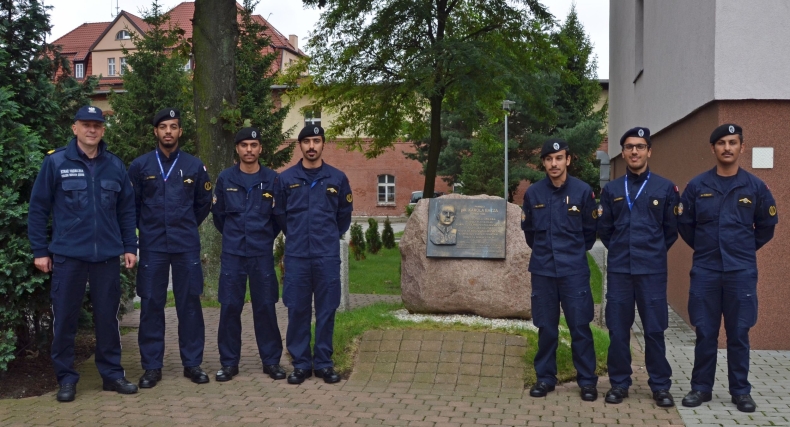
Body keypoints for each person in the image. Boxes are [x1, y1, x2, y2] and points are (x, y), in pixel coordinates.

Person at [28, 105, 139, 402]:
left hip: (106, 256)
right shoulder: (56, 162)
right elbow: (38, 208)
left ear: (103, 130)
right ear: (75, 128)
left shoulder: (115, 165)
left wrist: (130, 246)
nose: (92, 130)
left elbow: (126, 210)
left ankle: (112, 375)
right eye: (86, 124)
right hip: (68, 256)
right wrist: (40, 250)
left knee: (107, 319)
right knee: (65, 319)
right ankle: (66, 378)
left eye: (97, 125)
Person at [678, 124, 777, 413]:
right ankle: (701, 388)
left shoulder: (755, 187)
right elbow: (685, 225)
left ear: (741, 147)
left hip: (740, 272)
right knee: (705, 332)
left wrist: (742, 250)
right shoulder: (697, 186)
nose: (727, 148)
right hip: (706, 271)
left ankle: (740, 391)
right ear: (713, 148)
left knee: (739, 333)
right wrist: (707, 248)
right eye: (721, 143)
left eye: (733, 142)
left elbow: (767, 226)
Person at [128, 108, 213, 387]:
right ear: (156, 131)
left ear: (180, 131)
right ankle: (152, 367)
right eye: (163, 126)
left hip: (185, 244)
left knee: (189, 303)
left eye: (173, 126)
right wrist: (147, 227)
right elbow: (132, 205)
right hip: (152, 245)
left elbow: (203, 204)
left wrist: (184, 224)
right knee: (151, 303)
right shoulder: (140, 166)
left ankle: (192, 363)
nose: (168, 131)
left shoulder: (194, 166)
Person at [597, 127, 678, 407]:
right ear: (623, 152)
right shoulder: (612, 190)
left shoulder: (665, 188)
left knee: (654, 329)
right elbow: (605, 230)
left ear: (649, 152)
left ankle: (660, 386)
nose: (634, 151)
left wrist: (652, 252)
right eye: (629, 147)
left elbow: (671, 230)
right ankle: (619, 383)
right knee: (618, 329)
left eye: (640, 146)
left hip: (652, 271)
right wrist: (623, 250)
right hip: (620, 270)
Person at [521, 139, 599, 402]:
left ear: (568, 160)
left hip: (573, 271)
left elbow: (589, 233)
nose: (554, 163)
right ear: (543, 162)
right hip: (543, 270)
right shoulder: (533, 194)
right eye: (549, 159)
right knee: (546, 327)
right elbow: (529, 234)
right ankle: (545, 378)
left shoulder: (583, 191)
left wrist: (571, 255)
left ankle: (587, 381)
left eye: (558, 158)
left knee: (580, 326)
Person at [274, 125, 353, 384]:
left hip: (326, 255)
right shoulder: (286, 179)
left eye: (316, 141)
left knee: (326, 309)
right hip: (297, 255)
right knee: (297, 309)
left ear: (323, 144)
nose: (311, 146)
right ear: (300, 145)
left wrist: (327, 237)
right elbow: (280, 214)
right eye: (306, 141)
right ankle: (300, 364)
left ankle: (323, 364)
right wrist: (297, 235)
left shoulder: (337, 178)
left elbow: (344, 216)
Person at [210, 127, 286, 382]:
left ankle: (271, 362)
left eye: (254, 145)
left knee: (265, 307)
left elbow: (277, 219)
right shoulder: (226, 178)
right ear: (237, 149)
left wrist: (262, 237)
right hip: (233, 254)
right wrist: (235, 237)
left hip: (261, 253)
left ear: (260, 148)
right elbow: (219, 217)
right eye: (244, 145)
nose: (249, 150)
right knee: (230, 307)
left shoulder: (273, 179)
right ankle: (229, 363)